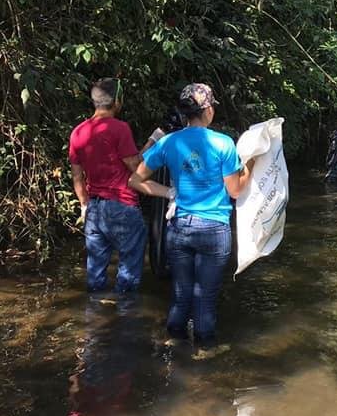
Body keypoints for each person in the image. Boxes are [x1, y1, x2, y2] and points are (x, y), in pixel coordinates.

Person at [128, 83, 254, 351]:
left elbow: (135, 180)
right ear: (207, 109)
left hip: (180, 228)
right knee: (205, 297)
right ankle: (206, 350)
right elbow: (235, 190)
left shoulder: (168, 142)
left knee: (180, 293)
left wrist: (169, 192)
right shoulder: (223, 143)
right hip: (214, 229)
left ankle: (174, 341)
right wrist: (250, 167)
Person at [69, 77, 155, 294]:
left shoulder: (78, 132)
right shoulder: (119, 128)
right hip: (122, 206)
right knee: (128, 275)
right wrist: (152, 143)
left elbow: (77, 176)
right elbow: (135, 165)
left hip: (94, 209)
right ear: (117, 100)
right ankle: (125, 321)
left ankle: (94, 322)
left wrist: (84, 205)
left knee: (95, 275)